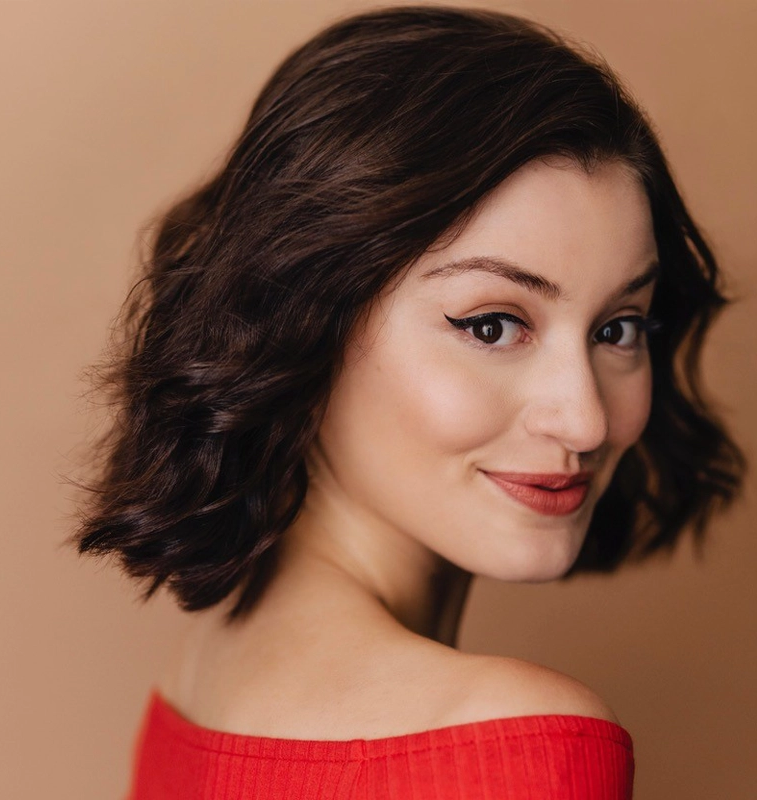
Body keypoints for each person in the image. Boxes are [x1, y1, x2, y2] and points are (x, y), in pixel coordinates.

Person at [73, 6, 746, 799]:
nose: (587, 419)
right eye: (493, 325)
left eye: (619, 326)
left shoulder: (206, 673)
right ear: (307, 318)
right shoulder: (524, 745)